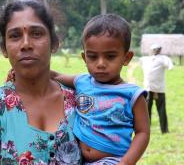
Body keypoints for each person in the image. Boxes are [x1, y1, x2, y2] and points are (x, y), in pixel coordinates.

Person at [0, 0, 82, 165]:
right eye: (15, 36)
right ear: (4, 48)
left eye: (36, 33)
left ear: (54, 43)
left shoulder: (81, 102)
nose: (26, 44)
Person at [52, 14, 150, 165]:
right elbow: (56, 76)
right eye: (93, 57)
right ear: (84, 58)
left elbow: (143, 132)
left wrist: (126, 162)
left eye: (110, 57)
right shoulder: (81, 81)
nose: (100, 64)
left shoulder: (133, 95)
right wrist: (24, 73)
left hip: (113, 160)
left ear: (126, 58)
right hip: (77, 158)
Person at [140, 44, 173, 134]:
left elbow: (170, 66)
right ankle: (146, 129)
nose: (156, 51)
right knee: (147, 110)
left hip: (159, 89)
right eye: (155, 49)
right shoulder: (146, 59)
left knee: (161, 109)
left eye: (157, 49)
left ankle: (164, 130)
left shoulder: (163, 59)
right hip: (148, 88)